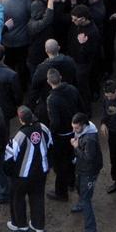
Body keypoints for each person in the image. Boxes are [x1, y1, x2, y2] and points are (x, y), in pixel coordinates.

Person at [4, 106, 52, 232]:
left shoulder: (20, 135)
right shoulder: (44, 128)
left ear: (20, 120)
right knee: (38, 197)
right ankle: (38, 225)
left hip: (22, 175)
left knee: (17, 197)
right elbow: (51, 145)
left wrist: (9, 172)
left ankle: (20, 224)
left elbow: (9, 156)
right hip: (41, 172)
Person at [45, 68, 79, 202]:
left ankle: (61, 192)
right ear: (61, 76)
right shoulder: (72, 89)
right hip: (74, 131)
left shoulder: (52, 99)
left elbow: (55, 122)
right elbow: (81, 106)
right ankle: (71, 182)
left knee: (60, 165)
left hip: (61, 136)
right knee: (72, 159)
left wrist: (50, 133)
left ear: (48, 82)